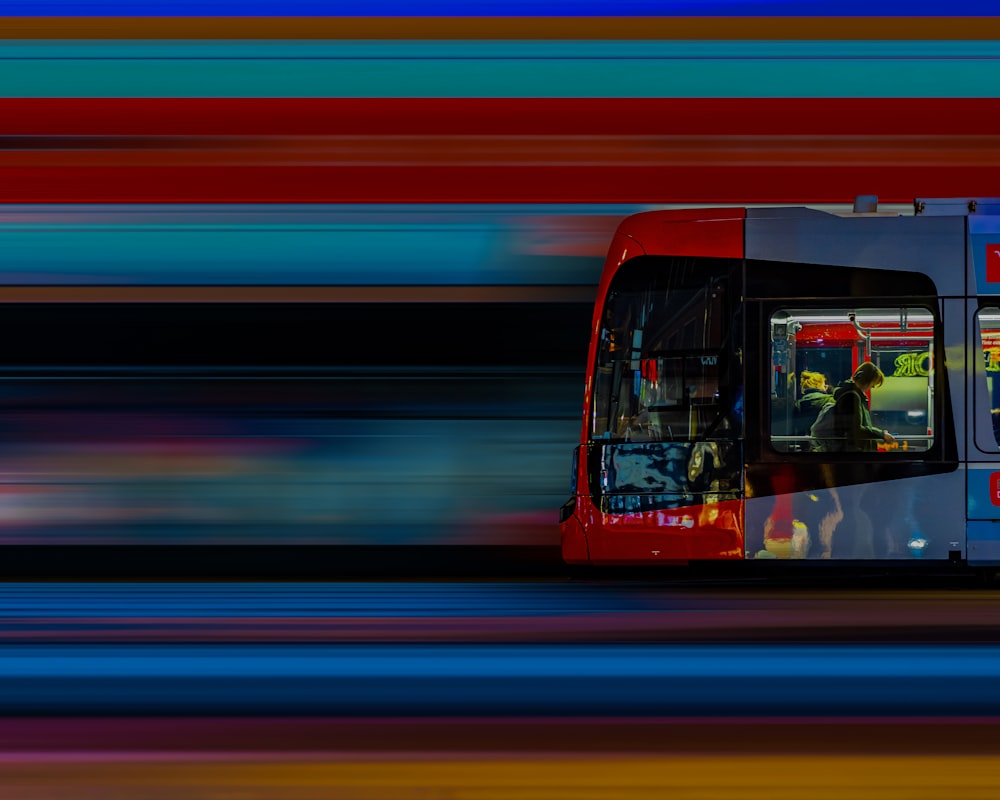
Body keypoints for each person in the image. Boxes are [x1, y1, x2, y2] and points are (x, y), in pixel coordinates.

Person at [826, 361, 896, 452]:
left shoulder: (851, 395)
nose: (873, 387)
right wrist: (882, 434)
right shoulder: (853, 397)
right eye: (873, 383)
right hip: (856, 454)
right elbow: (856, 430)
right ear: (867, 381)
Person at [793, 370, 833, 437]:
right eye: (823, 385)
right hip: (825, 440)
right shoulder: (829, 400)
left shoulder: (798, 404)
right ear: (818, 385)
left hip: (807, 440)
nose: (825, 387)